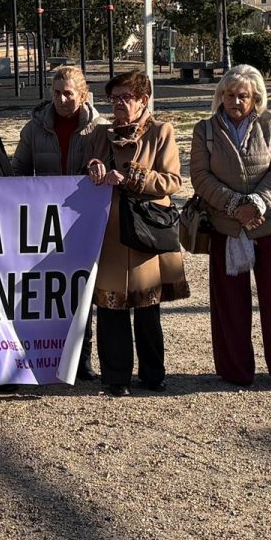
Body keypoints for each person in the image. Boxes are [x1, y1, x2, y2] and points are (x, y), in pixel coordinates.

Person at [190, 65, 271, 387]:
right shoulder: (204, 130)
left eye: (243, 96)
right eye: (229, 95)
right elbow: (200, 176)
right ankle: (235, 370)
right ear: (220, 96)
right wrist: (236, 207)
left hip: (270, 223)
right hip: (226, 226)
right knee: (229, 304)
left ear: (256, 98)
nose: (235, 102)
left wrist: (257, 203)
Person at [83, 70, 187, 397]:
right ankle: (115, 378)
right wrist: (94, 168)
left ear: (143, 100)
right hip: (110, 233)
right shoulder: (100, 133)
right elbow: (87, 165)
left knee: (147, 309)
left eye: (125, 97)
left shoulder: (161, 132)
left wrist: (131, 177)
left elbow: (172, 181)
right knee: (110, 308)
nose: (118, 103)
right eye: (114, 98)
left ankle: (153, 374)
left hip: (146, 233)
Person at [11, 65, 103, 380]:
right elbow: (18, 171)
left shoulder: (99, 129)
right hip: (45, 222)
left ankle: (82, 356)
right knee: (48, 289)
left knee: (81, 288)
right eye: (56, 93)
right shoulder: (33, 129)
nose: (62, 100)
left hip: (83, 222)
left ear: (84, 95)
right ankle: (45, 353)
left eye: (69, 93)